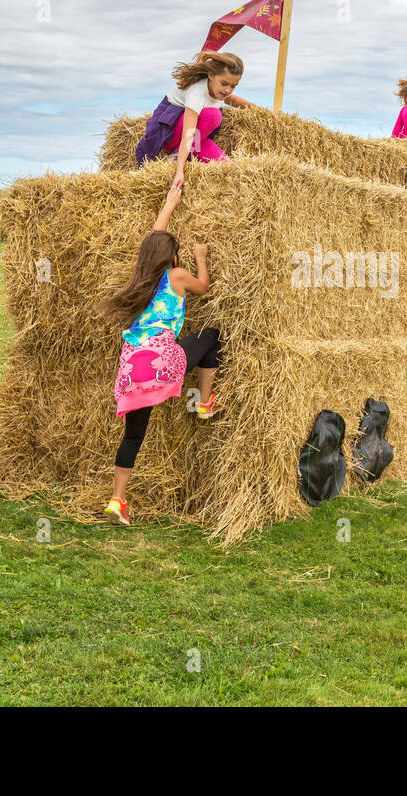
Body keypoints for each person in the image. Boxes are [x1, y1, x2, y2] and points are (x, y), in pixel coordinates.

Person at [102, 185, 222, 526]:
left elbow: (154, 239)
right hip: (161, 362)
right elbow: (204, 287)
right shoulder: (176, 275)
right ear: (171, 257)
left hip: (130, 369)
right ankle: (203, 402)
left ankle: (116, 500)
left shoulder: (141, 277)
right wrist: (200, 257)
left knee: (133, 435)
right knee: (211, 338)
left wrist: (170, 203)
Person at [135, 51, 258, 188]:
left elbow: (233, 100)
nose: (228, 90)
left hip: (197, 139)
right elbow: (189, 134)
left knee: (224, 164)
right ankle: (176, 156)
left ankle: (187, 153)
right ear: (211, 75)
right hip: (168, 132)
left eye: (233, 86)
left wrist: (262, 111)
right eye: (224, 84)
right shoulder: (197, 93)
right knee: (214, 115)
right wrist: (179, 170)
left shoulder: (219, 90)